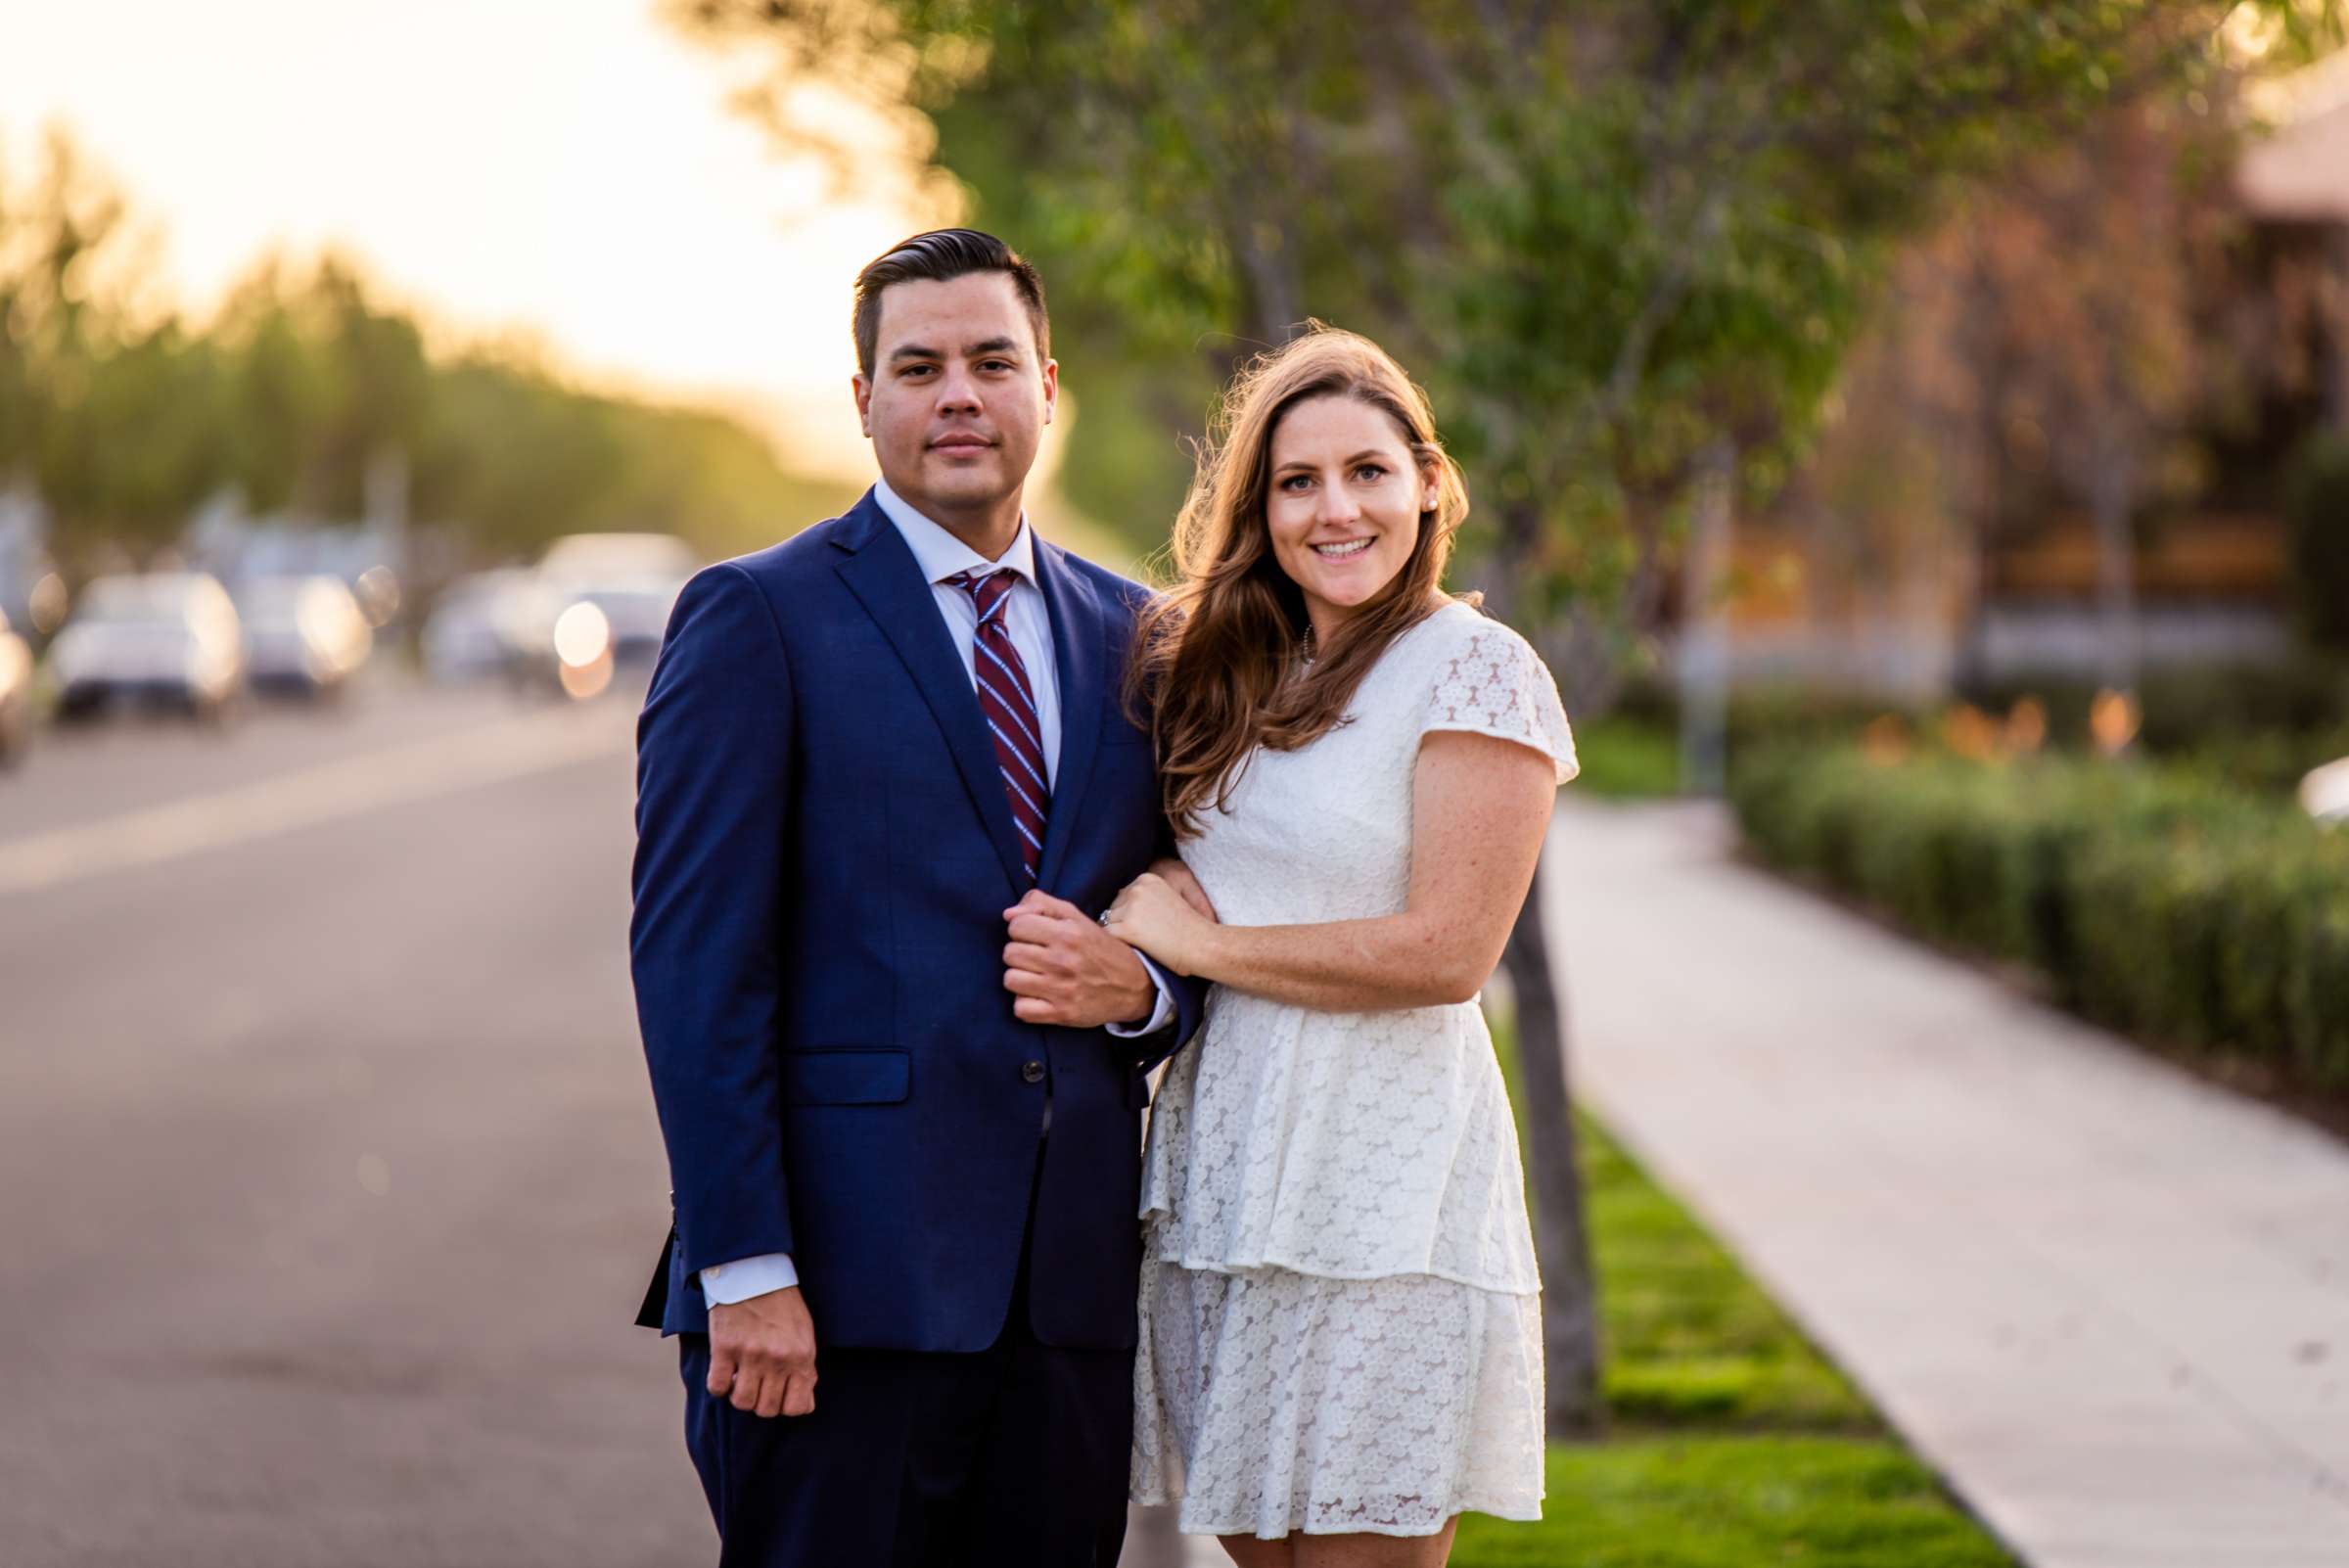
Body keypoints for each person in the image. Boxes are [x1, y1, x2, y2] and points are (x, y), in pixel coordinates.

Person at [628, 227, 1208, 1567]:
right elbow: (698, 971)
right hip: (835, 1310)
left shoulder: (1139, 640)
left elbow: (1192, 914)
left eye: (992, 360)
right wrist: (748, 1267)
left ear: (1046, 387)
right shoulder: (755, 618)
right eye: (920, 365)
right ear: (864, 401)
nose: (959, 392)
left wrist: (1147, 991)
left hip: (1064, 1312)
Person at [1104, 326, 1578, 1566]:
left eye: (1368, 470)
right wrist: (1158, 900)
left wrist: (1201, 949)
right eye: (1297, 481)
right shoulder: (1229, 674)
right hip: (1227, 1181)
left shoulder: (1477, 671)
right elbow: (1195, 863)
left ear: (1429, 481)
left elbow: (1447, 953)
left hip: (1389, 1196)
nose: (1337, 509)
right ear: (1259, 509)